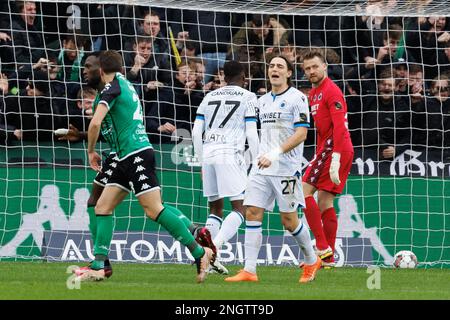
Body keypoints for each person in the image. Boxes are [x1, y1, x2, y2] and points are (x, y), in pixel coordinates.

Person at [64, 53, 214, 282]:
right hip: (126, 156)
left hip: (136, 154)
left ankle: (199, 252)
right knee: (102, 207)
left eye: (88, 66)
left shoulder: (111, 88)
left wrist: (90, 151)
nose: (85, 71)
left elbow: (95, 122)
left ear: (102, 69)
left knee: (153, 209)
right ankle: (99, 265)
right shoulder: (125, 84)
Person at [225, 55, 321, 283]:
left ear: (289, 73)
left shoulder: (298, 98)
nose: (274, 69)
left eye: (280, 66)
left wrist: (274, 154)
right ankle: (249, 270)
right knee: (252, 212)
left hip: (286, 169)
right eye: (271, 66)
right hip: (261, 167)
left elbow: (301, 134)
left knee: (288, 221)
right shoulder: (262, 101)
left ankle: (311, 259)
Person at [192, 60, 259, 274]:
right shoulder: (249, 97)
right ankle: (214, 248)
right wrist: (256, 161)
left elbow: (195, 133)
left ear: (223, 76)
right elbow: (251, 132)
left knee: (215, 209)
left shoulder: (209, 96)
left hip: (209, 152)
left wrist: (202, 161)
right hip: (230, 153)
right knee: (241, 208)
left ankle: (206, 261)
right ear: (244, 77)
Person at [301, 50, 354, 268]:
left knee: (301, 192)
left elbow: (339, 126)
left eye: (315, 66)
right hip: (330, 148)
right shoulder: (313, 93)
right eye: (307, 68)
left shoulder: (331, 91)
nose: (311, 71)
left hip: (335, 147)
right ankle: (328, 259)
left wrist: (336, 157)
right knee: (325, 201)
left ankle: (321, 247)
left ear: (325, 67)